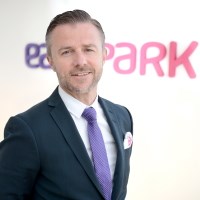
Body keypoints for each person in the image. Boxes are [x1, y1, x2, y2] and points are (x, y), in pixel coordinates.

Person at [0, 9, 133, 200]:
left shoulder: (123, 117)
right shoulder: (27, 128)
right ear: (51, 61)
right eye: (67, 52)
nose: (80, 61)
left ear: (104, 54)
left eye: (88, 49)